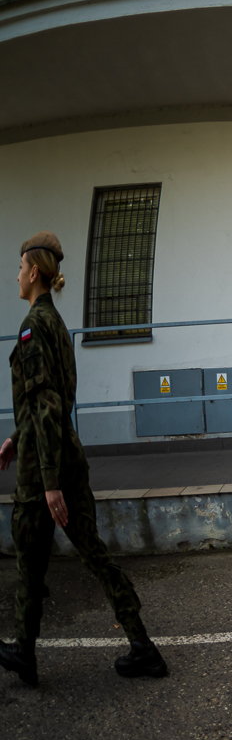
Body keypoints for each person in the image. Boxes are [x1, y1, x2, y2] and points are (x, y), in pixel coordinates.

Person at [0, 233, 167, 688]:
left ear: (34, 272)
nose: (15, 277)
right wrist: (16, 437)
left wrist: (49, 481)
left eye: (19, 269)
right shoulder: (56, 324)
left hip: (45, 471)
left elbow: (48, 405)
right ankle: (142, 647)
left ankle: (24, 653)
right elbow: (51, 402)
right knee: (94, 554)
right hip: (63, 456)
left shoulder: (34, 325)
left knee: (29, 564)